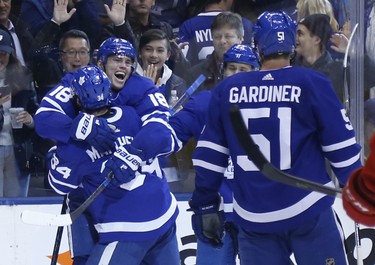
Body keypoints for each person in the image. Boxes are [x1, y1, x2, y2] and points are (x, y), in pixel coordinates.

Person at [188, 11, 362, 265]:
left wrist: (205, 205)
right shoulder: (311, 82)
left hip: (255, 218)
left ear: (257, 45)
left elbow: (209, 158)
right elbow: (342, 148)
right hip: (308, 211)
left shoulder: (227, 90)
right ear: (291, 45)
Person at [34, 37, 180, 264]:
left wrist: (135, 151)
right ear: (100, 63)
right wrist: (76, 128)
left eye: (128, 61)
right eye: (116, 59)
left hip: (122, 212)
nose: (123, 65)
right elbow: (43, 119)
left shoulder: (140, 86)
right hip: (95, 200)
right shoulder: (76, 82)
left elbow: (163, 132)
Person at [170, 43, 259, 265]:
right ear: (222, 71)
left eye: (243, 69)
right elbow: (169, 136)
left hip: (258, 213)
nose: (236, 75)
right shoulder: (204, 103)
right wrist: (155, 118)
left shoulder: (270, 104)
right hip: (215, 210)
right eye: (232, 68)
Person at [0, 29, 39, 197]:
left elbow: (36, 110)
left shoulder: (21, 76)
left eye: (3, 53)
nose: (0, 58)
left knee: (17, 204)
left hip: (19, 150)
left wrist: (30, 120)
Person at [178, 0, 253, 67]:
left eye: (228, 36)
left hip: (202, 79)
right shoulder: (244, 24)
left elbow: (183, 65)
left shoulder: (188, 26)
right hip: (237, 78)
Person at [184, 11, 245, 91]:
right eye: (217, 36)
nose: (222, 41)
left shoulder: (253, 71)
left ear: (240, 39)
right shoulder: (194, 75)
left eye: (228, 36)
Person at [293, 14, 345, 102]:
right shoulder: (291, 67)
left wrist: (351, 52)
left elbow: (371, 73)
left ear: (317, 39)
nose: (295, 38)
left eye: (300, 34)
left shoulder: (337, 70)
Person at [138, 28, 187, 104]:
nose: (154, 55)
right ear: (140, 53)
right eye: (148, 49)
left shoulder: (178, 83)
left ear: (168, 55)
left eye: (160, 50)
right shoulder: (128, 80)